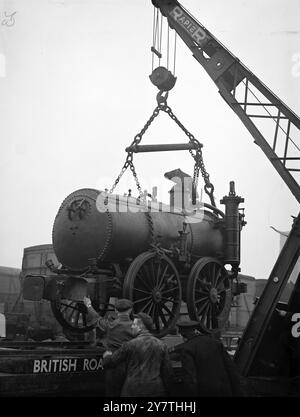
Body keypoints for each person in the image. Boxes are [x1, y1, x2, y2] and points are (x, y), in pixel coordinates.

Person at [102, 312, 175, 397]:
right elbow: (168, 372)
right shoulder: (161, 345)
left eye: (134, 325)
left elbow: (110, 363)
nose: (131, 327)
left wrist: (107, 356)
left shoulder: (129, 345)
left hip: (133, 391)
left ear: (140, 327)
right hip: (156, 390)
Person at [169, 320, 243, 397]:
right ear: (194, 330)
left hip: (205, 391)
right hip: (223, 388)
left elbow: (190, 377)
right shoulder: (216, 343)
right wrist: (237, 390)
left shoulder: (187, 348)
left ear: (182, 333)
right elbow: (230, 368)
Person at [83, 296, 134, 396]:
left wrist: (88, 305)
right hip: (131, 365)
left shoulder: (110, 324)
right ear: (130, 310)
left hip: (113, 362)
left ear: (115, 310)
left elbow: (96, 318)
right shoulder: (136, 326)